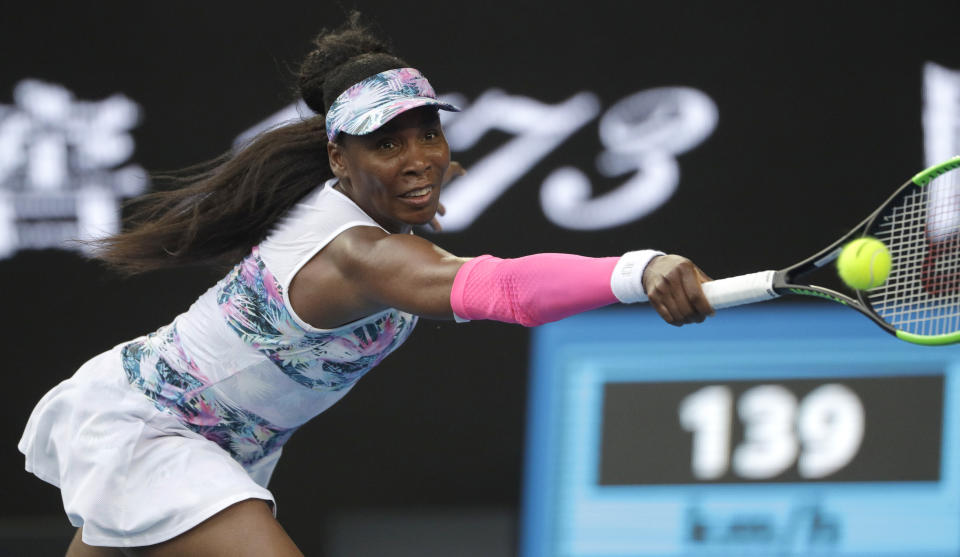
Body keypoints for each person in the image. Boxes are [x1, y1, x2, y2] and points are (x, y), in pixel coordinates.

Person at [18, 14, 714, 557]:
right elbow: (501, 289)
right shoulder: (359, 254)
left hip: (215, 441)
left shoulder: (363, 207)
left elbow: (420, 184)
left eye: (428, 136)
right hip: (150, 427)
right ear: (337, 158)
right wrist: (636, 268)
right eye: (387, 144)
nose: (419, 159)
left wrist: (407, 187)